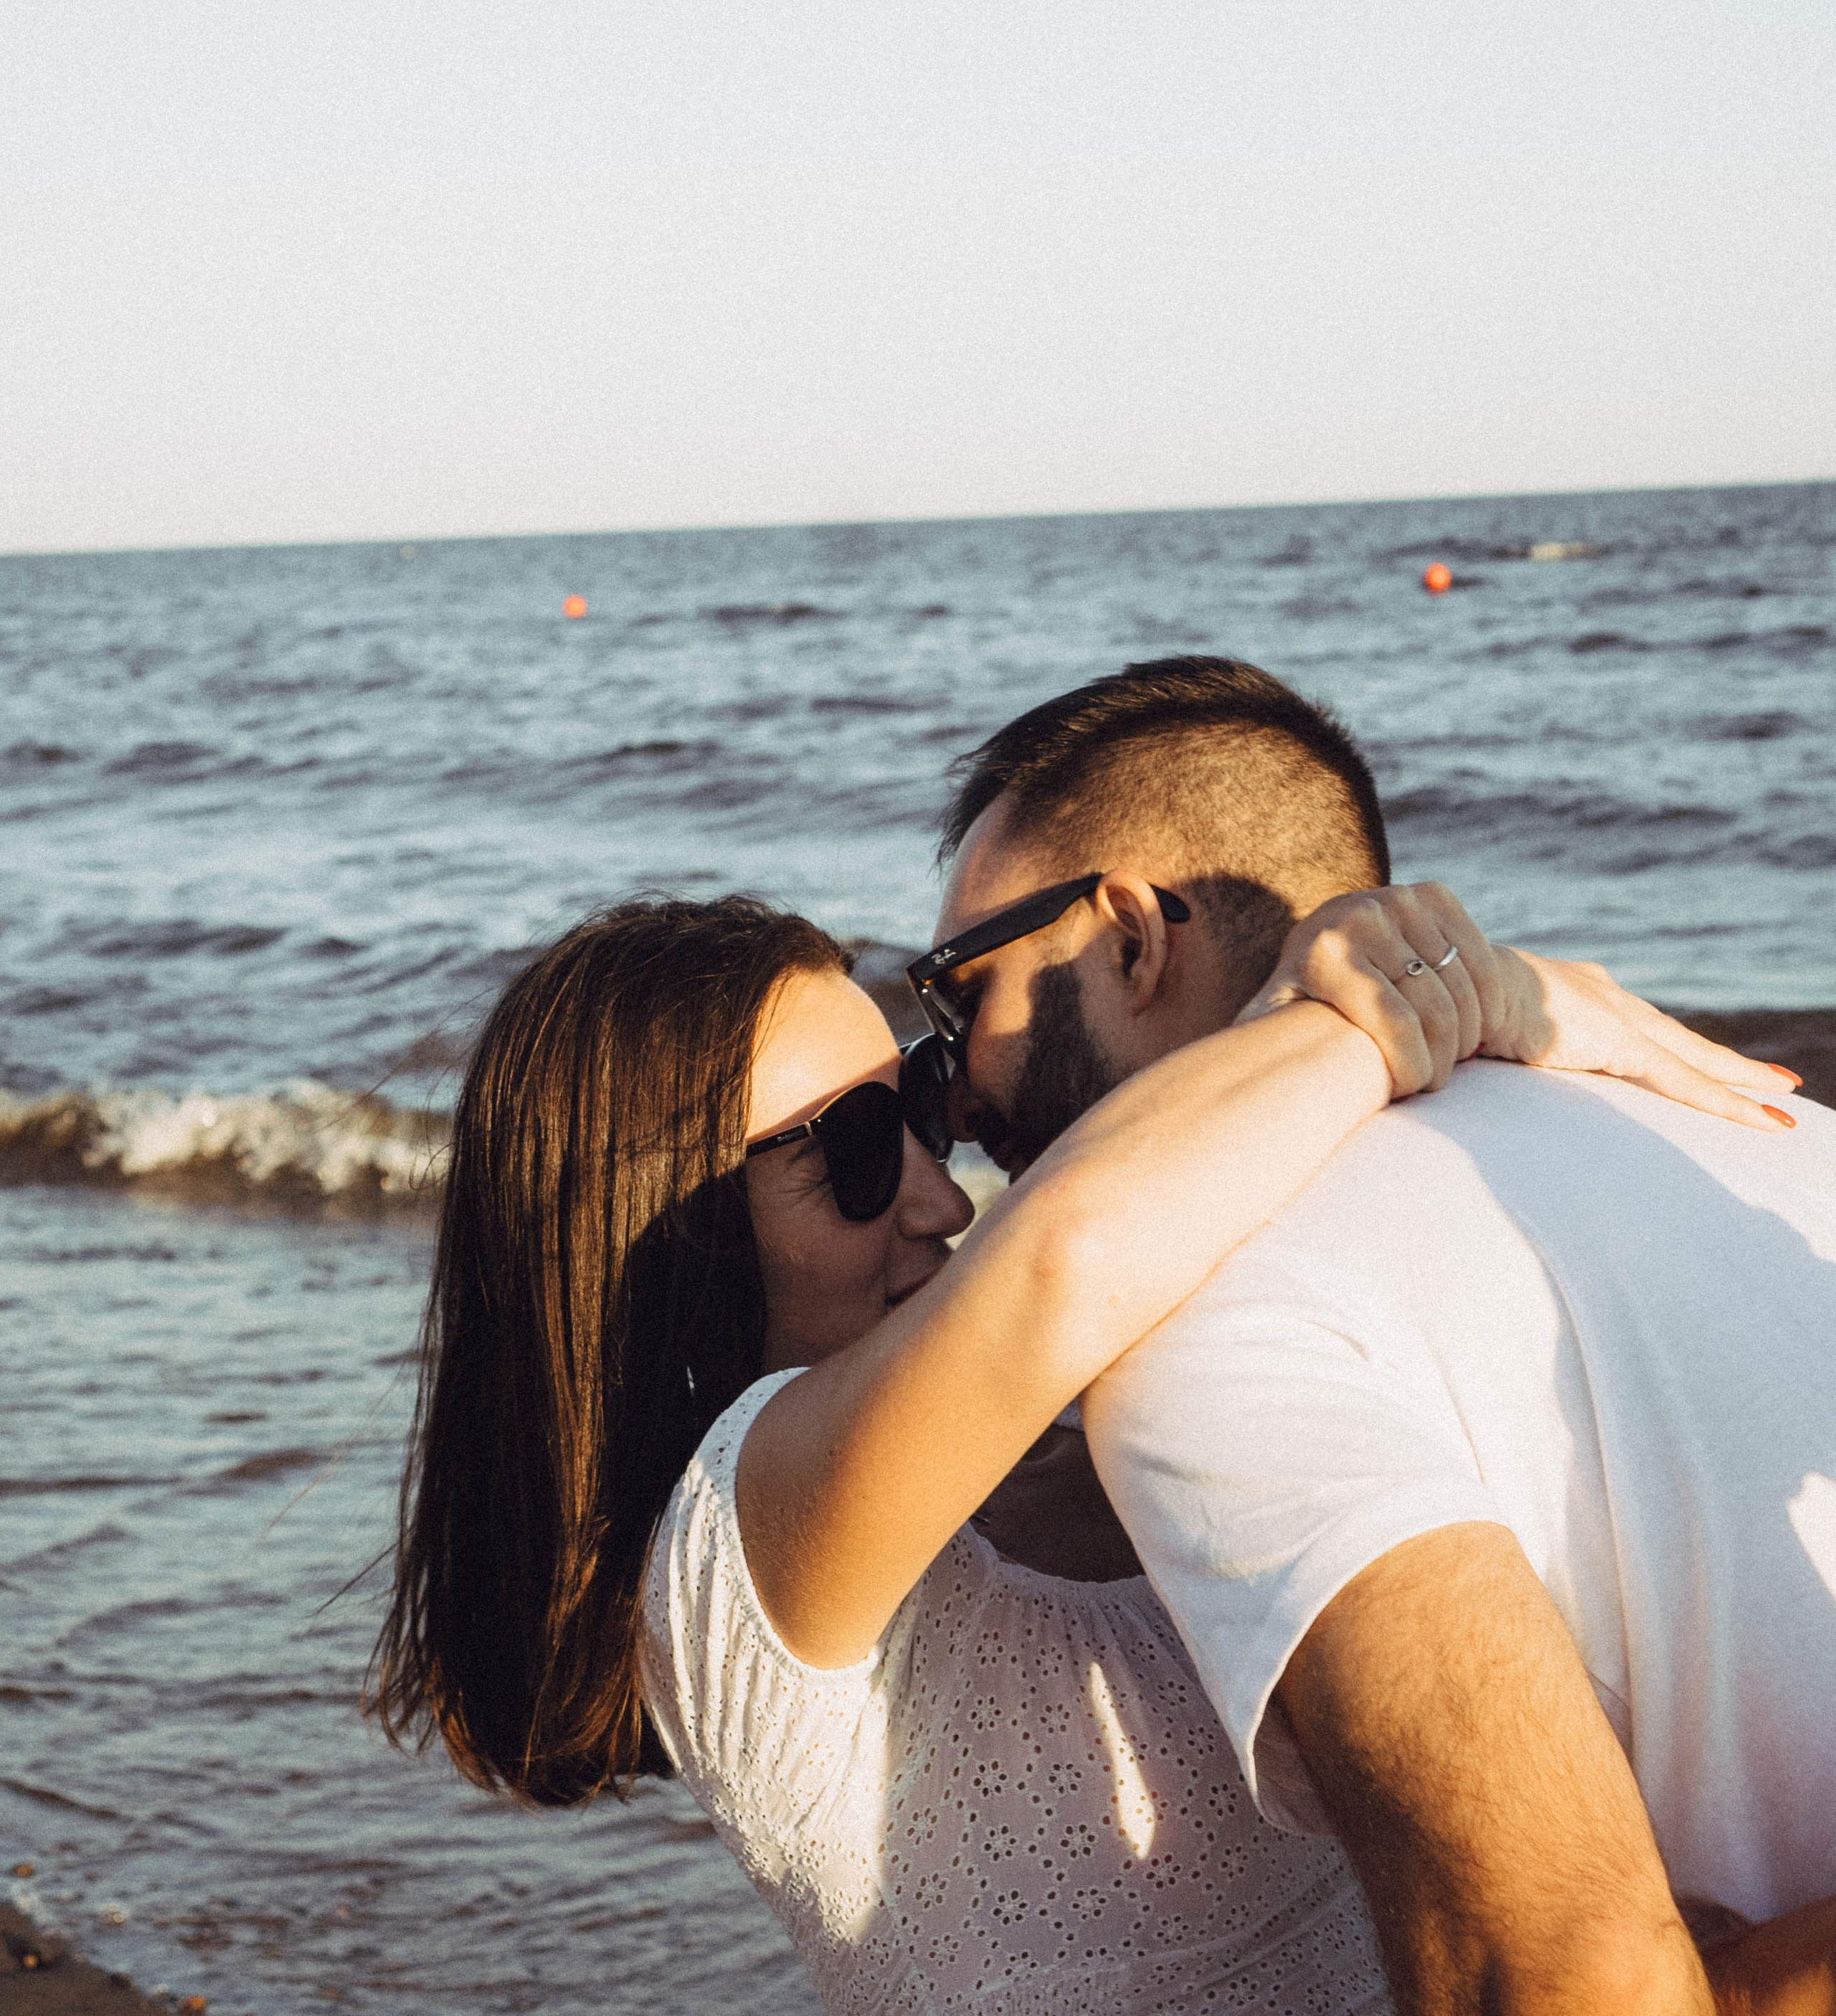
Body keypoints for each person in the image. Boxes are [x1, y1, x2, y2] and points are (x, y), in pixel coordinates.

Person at [370, 877, 1813, 2014]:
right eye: (863, 1151)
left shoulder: (1120, 1439)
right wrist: (1438, 995)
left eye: (924, 1111)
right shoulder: (728, 1562)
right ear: (651, 1234)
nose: (941, 1202)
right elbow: (1067, 1257)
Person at [924, 653, 1836, 2016]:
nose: (946, 1094)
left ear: (1129, 936)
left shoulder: (1215, 1314)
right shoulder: (1752, 1125)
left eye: (960, 993)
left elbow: (1569, 1982)